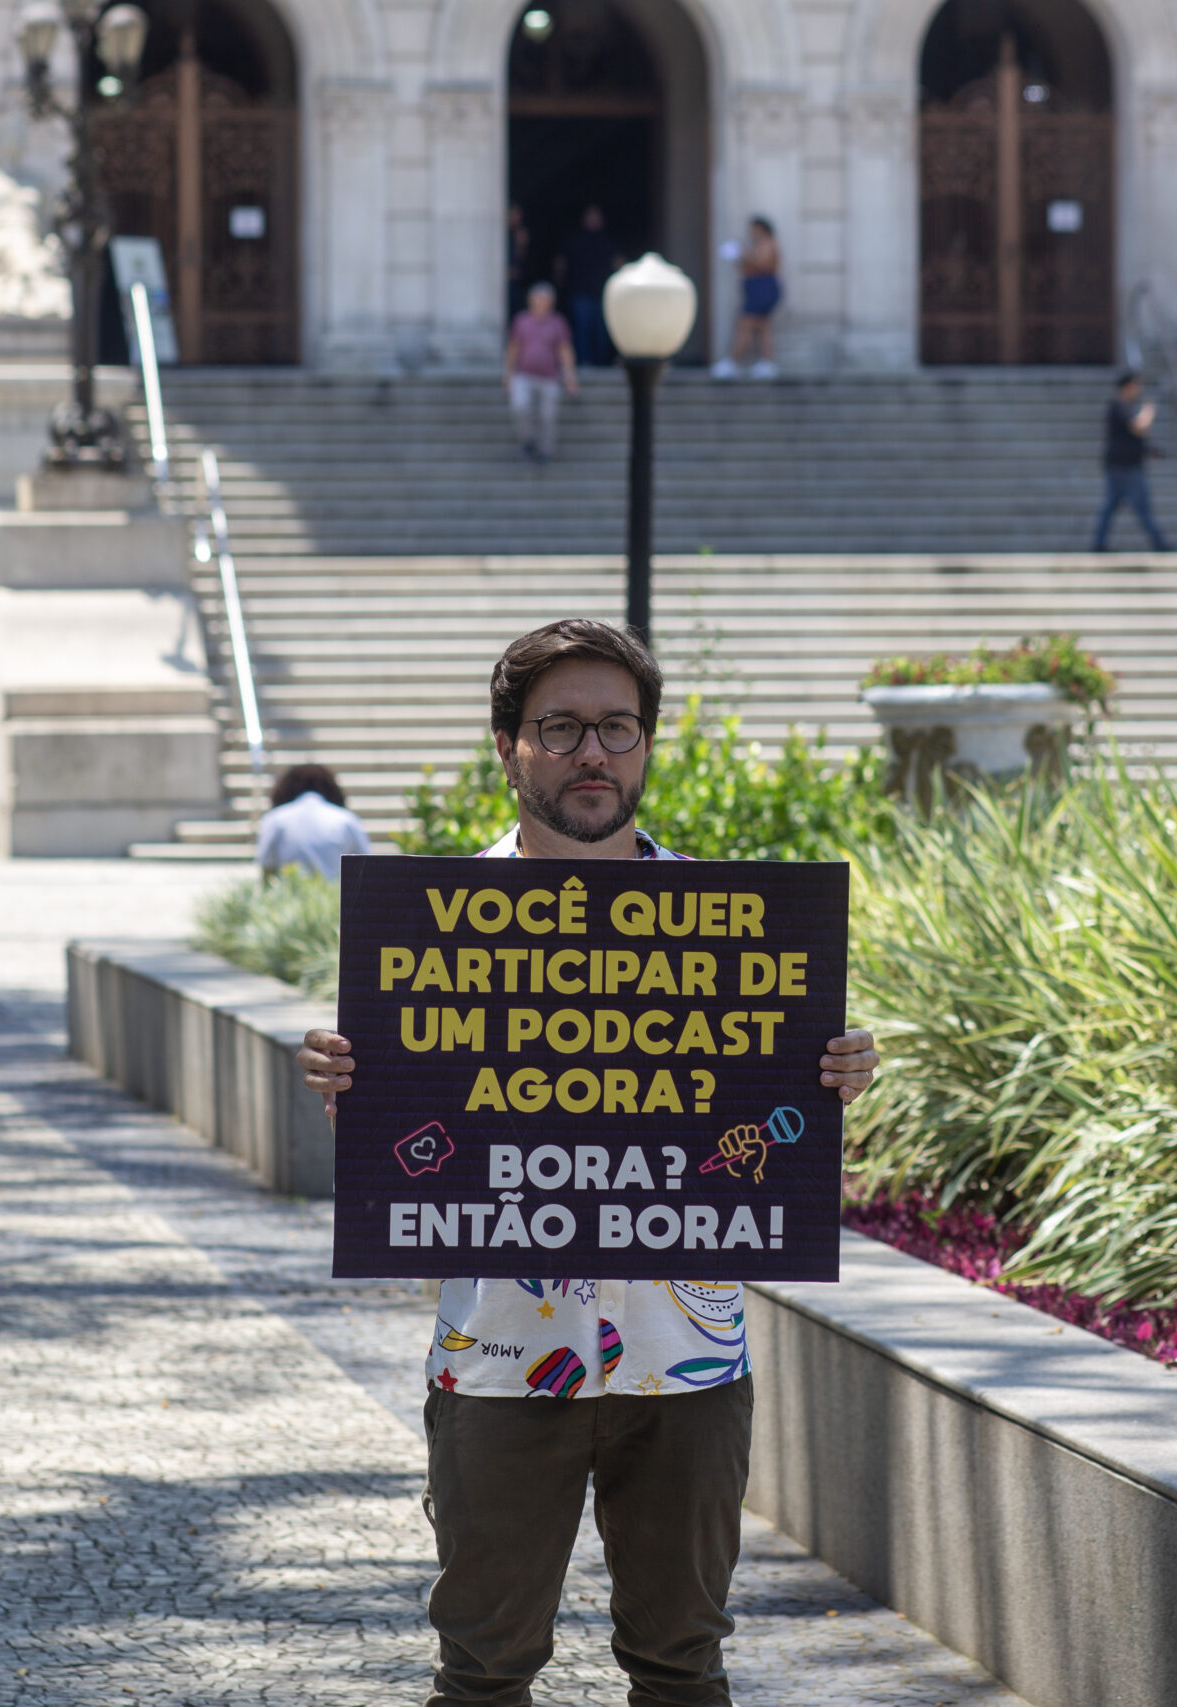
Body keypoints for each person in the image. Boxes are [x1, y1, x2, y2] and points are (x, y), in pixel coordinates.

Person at [296, 618, 881, 1707]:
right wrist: (346, 1084)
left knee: (681, 1669)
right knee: (482, 1671)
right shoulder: (427, 932)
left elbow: (770, 1129)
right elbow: (418, 1150)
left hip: (689, 1363)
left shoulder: (739, 934)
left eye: (617, 726)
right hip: (503, 1357)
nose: (592, 753)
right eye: (559, 727)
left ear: (648, 745)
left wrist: (834, 1070)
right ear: (508, 746)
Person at [1093, 370, 1172, 552]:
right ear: (1127, 387)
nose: (1138, 389)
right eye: (1136, 385)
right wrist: (1148, 412)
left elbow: (1133, 438)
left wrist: (1151, 451)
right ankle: (1159, 543)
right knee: (1139, 507)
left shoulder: (1125, 407)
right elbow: (1138, 428)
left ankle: (1099, 543)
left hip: (1126, 465)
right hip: (1123, 467)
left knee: (1115, 507)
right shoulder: (1118, 407)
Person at [254, 763, 371, 883]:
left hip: (290, 898)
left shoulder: (275, 820)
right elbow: (366, 867)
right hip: (336, 898)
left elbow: (267, 869)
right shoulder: (347, 820)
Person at [504, 281, 579, 466]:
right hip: (524, 375)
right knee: (519, 406)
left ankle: (546, 450)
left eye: (545, 300)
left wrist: (570, 377)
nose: (541, 303)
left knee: (548, 415)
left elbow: (564, 350)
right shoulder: (521, 321)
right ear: (530, 300)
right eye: (538, 299)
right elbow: (513, 348)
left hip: (549, 377)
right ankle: (527, 440)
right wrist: (508, 376)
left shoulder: (558, 323)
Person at [711, 217, 781, 380]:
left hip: (763, 288)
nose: (750, 232)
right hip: (757, 288)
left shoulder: (768, 244)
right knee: (762, 326)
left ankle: (733, 362)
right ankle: (766, 363)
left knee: (746, 325)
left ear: (761, 229)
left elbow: (762, 264)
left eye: (753, 229)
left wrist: (743, 253)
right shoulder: (757, 246)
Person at [557, 204, 622, 367]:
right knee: (581, 331)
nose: (593, 220)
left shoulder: (608, 242)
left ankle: (601, 363)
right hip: (580, 293)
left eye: (596, 216)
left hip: (603, 294)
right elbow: (560, 264)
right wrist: (562, 283)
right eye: (590, 216)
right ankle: (584, 362)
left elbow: (620, 264)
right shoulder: (574, 241)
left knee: (602, 332)